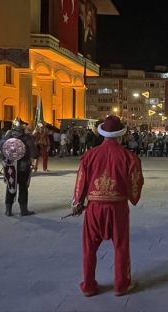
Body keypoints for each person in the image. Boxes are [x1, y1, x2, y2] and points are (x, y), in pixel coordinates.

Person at [70, 116, 143, 297]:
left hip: (94, 208)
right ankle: (121, 285)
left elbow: (81, 181)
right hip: (117, 208)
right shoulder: (129, 157)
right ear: (121, 134)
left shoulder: (90, 155)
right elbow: (136, 183)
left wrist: (78, 202)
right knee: (121, 246)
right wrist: (131, 196)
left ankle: (88, 285)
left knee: (89, 248)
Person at [0, 117, 38, 217]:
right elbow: (34, 153)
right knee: (23, 188)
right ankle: (23, 210)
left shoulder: (7, 137)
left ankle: (8, 210)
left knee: (10, 186)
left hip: (10, 167)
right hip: (23, 167)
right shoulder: (27, 138)